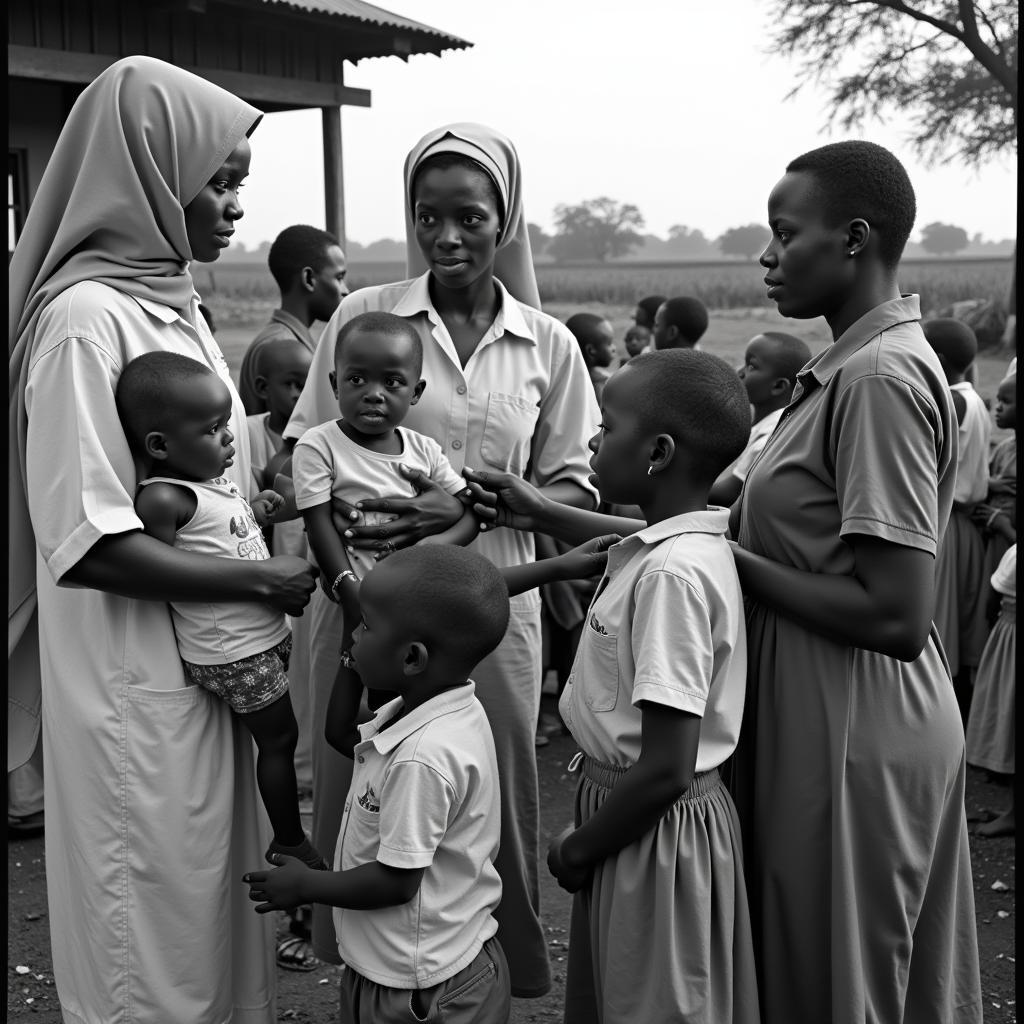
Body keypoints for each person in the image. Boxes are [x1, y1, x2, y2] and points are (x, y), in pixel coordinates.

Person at [8, 55, 319, 1021]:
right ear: (147, 173)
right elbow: (88, 542)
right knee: (148, 948)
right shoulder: (83, 323)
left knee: (206, 930)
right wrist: (262, 581)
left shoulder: (167, 300)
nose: (232, 207)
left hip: (198, 674)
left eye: (240, 185)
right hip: (133, 688)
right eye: (216, 181)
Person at [283, 122, 599, 994]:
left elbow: (569, 494)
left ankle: (487, 974)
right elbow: (307, 447)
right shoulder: (364, 316)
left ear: (507, 219)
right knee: (364, 774)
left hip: (489, 605)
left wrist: (458, 503)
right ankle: (370, 974)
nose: (447, 238)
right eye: (428, 217)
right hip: (368, 602)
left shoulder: (550, 345)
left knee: (491, 782)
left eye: (470, 217)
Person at [726, 140, 982, 1023]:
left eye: (783, 232)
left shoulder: (875, 378)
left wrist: (733, 569)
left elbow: (897, 614)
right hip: (822, 708)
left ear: (855, 239)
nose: (766, 255)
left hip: (857, 727)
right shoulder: (841, 367)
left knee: (848, 984)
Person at [116, 351, 324, 873]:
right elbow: (159, 570)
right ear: (161, 446)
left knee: (280, 735)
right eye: (213, 430)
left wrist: (254, 513)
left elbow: (213, 540)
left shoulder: (207, 483)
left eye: (226, 425)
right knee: (280, 740)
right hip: (232, 652)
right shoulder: (164, 498)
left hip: (258, 637)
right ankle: (290, 840)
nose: (229, 439)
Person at [293, 310, 478, 710]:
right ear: (334, 384)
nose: (374, 393)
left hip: (416, 607)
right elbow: (318, 522)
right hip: (355, 602)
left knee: (406, 708)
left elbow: (469, 513)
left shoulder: (424, 450)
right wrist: (348, 588)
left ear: (416, 391)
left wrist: (426, 551)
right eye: (356, 379)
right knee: (344, 717)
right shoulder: (319, 445)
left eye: (392, 382)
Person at [923, 317, 991, 722]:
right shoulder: (976, 400)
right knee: (955, 626)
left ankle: (936, 719)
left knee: (938, 629)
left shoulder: (950, 399)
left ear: (939, 357)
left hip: (945, 524)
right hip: (963, 526)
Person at [238, 223, 348, 415]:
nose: (345, 290)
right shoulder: (282, 347)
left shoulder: (288, 338)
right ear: (309, 279)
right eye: (339, 278)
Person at [708, 332, 811, 508]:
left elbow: (729, 493)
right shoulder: (758, 423)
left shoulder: (772, 434)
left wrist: (672, 488)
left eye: (751, 366)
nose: (740, 372)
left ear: (778, 386)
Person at [965, 541, 1016, 838]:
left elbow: (991, 599)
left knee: (1008, 727)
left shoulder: (1013, 554)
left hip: (1009, 638)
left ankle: (1013, 814)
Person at [971, 372, 1017, 609]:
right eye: (998, 400)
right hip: (992, 544)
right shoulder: (1003, 450)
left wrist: (1003, 525)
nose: (997, 408)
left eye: (1006, 402)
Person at [566, 312, 616, 402]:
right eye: (609, 344)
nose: (614, 348)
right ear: (591, 350)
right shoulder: (600, 387)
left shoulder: (563, 378)